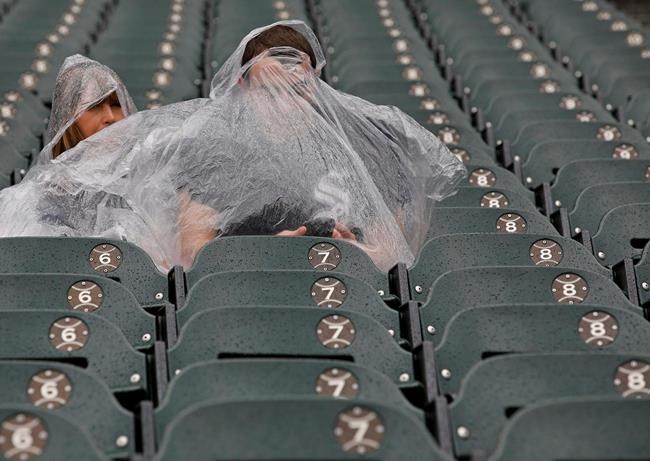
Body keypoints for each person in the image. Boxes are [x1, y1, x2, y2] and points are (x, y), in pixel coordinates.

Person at [37, 54, 136, 163]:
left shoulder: (146, 174)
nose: (110, 117)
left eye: (116, 105)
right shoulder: (49, 179)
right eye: (94, 106)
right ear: (67, 118)